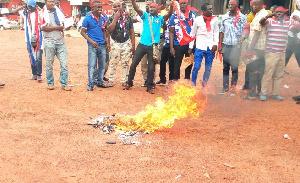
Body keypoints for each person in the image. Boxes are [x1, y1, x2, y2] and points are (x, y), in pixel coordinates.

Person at [123, 0, 174, 94]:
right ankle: (129, 83)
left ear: (157, 9)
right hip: (142, 45)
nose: (151, 9)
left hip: (153, 47)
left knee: (151, 67)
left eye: (153, 7)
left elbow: (169, 14)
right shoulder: (146, 16)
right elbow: (136, 8)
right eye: (150, 7)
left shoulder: (160, 19)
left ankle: (150, 86)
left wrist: (171, 6)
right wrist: (133, 1)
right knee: (133, 64)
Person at [259, 7, 290, 101]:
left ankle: (275, 94)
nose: (279, 13)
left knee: (279, 74)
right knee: (268, 73)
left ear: (284, 13)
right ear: (274, 13)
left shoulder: (287, 23)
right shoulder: (270, 21)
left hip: (282, 53)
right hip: (271, 52)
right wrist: (268, 15)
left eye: (281, 12)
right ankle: (263, 93)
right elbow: (261, 22)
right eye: (277, 12)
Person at [40, 0, 72, 91]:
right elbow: (43, 28)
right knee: (49, 65)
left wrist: (68, 26)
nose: (52, 3)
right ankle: (50, 83)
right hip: (49, 41)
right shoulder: (42, 14)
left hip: (61, 41)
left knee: (64, 64)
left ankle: (64, 83)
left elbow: (64, 26)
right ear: (45, 3)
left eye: (53, 1)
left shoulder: (59, 12)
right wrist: (57, 28)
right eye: (50, 1)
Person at [218, 0, 247, 95]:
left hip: (236, 46)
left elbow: (245, 31)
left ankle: (232, 89)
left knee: (234, 68)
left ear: (237, 6)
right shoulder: (224, 17)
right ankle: (225, 88)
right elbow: (221, 31)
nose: (230, 6)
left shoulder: (242, 18)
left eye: (232, 5)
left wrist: (241, 42)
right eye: (229, 5)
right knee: (225, 67)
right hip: (226, 45)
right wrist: (220, 44)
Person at [81, 0, 109, 91]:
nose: (100, 9)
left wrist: (107, 43)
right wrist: (91, 41)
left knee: (102, 65)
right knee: (92, 65)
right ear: (92, 8)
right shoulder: (87, 19)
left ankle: (100, 82)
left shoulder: (103, 18)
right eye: (98, 7)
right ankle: (91, 84)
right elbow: (82, 32)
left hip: (102, 45)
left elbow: (104, 31)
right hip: (92, 46)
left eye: (101, 7)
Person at [243, 0, 269, 100]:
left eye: (256, 4)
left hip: (257, 48)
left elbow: (257, 33)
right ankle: (258, 91)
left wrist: (251, 49)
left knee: (252, 70)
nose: (253, 6)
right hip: (261, 49)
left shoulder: (261, 15)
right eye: (253, 5)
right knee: (259, 70)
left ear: (262, 5)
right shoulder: (259, 14)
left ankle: (252, 93)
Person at [106, 1, 135, 87]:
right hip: (115, 43)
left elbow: (132, 32)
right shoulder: (111, 18)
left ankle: (124, 80)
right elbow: (109, 31)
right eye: (115, 7)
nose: (117, 8)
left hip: (126, 43)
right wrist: (115, 19)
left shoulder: (128, 18)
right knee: (113, 62)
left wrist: (133, 45)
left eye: (119, 6)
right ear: (113, 8)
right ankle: (111, 80)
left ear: (122, 7)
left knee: (125, 63)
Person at [190, 2, 219, 87]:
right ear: (203, 10)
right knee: (196, 67)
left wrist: (216, 43)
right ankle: (193, 85)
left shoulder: (215, 19)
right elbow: (193, 33)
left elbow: (216, 32)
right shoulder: (197, 19)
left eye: (211, 9)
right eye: (209, 9)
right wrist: (191, 46)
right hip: (200, 47)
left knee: (208, 68)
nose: (211, 10)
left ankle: (204, 85)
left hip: (210, 47)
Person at [14, 0, 43, 82]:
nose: (29, 8)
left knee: (38, 57)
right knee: (31, 56)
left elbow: (44, 14)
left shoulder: (40, 13)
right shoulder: (25, 13)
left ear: (35, 6)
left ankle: (39, 74)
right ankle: (34, 74)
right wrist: (23, 6)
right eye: (28, 6)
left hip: (39, 38)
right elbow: (14, 11)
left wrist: (39, 9)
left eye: (31, 6)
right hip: (28, 38)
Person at [170, 0, 196, 81]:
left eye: (184, 3)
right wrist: (171, 47)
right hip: (178, 44)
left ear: (187, 4)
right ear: (179, 4)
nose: (183, 5)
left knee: (189, 63)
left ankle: (187, 80)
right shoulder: (174, 15)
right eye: (181, 3)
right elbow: (171, 32)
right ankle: (176, 81)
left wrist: (194, 43)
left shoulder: (192, 14)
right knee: (177, 64)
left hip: (190, 44)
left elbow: (196, 29)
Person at [285, 3, 300, 69]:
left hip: (294, 38)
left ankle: (280, 69)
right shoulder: (296, 13)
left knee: (288, 55)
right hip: (295, 38)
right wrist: (296, 38)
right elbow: (294, 27)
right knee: (297, 55)